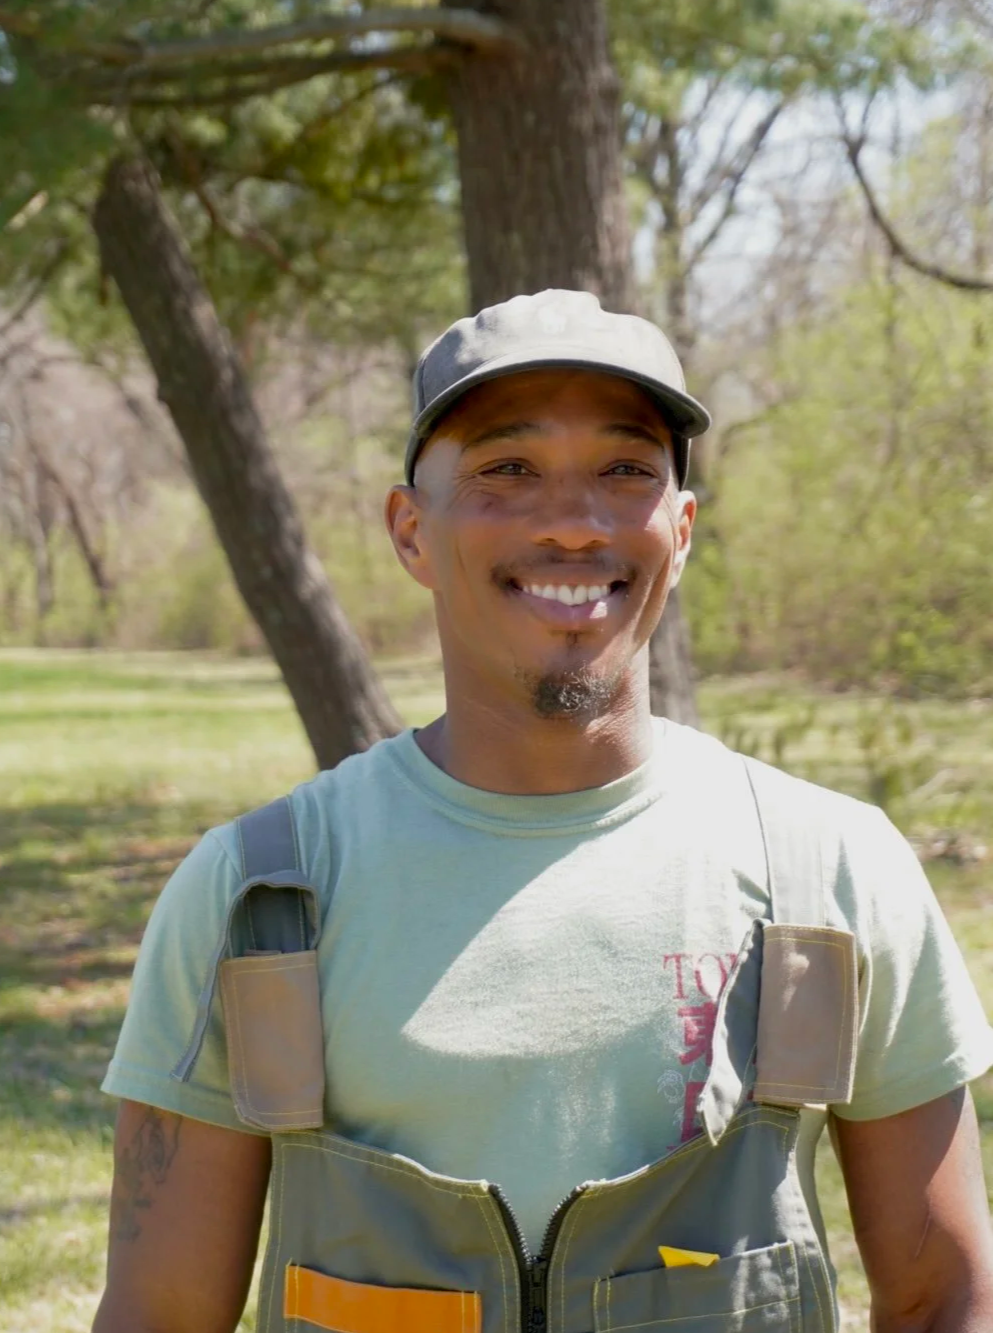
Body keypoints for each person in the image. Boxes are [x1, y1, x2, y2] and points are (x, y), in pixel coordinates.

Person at [93, 290, 993, 1333]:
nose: (573, 520)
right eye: (506, 470)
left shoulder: (830, 872)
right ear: (411, 532)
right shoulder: (259, 896)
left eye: (626, 469)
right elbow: (159, 1314)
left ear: (682, 529)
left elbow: (947, 1299)